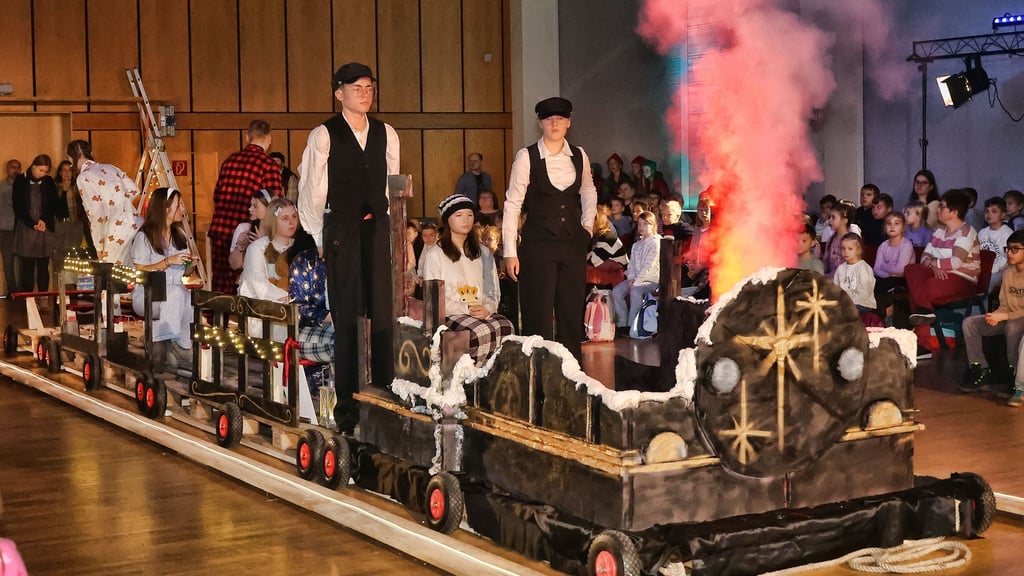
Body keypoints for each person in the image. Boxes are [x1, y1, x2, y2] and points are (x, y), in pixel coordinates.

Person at [297, 62, 400, 434]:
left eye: (370, 87)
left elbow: (391, 186)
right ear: (339, 92)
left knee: (383, 315)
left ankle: (388, 395)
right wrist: (319, 236)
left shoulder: (387, 133)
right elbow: (311, 189)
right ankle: (348, 409)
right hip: (341, 229)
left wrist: (391, 231)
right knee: (349, 319)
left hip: (378, 229)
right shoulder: (324, 135)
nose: (365, 92)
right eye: (356, 87)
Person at [502, 96, 597, 361]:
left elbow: (589, 190)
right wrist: (510, 251)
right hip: (538, 244)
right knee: (538, 313)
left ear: (568, 122)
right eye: (548, 118)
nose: (554, 123)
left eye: (560, 118)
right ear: (540, 123)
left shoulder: (579, 155)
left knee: (570, 311)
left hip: (572, 244)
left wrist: (587, 226)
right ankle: (540, 374)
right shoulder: (527, 156)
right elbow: (513, 204)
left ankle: (572, 375)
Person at [422, 194, 514, 365]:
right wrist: (465, 308)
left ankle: (497, 381)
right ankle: (469, 381)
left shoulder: (483, 253)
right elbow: (433, 300)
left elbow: (492, 289)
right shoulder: (436, 254)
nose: (466, 220)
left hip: (480, 311)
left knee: (506, 327)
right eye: (459, 215)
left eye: (470, 215)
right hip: (450, 314)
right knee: (479, 332)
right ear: (447, 220)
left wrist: (488, 307)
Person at [208, 119, 283, 295]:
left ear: (247, 136)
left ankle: (217, 320)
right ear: (270, 139)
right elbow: (275, 204)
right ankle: (245, 321)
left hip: (221, 228)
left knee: (220, 285)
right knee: (252, 284)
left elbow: (217, 195)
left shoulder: (230, 160)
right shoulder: (268, 165)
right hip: (250, 232)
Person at [130, 187, 198, 372]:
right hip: (148, 294)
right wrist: (167, 261)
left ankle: (184, 343)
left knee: (188, 297)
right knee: (177, 294)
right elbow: (141, 271)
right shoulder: (144, 237)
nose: (182, 210)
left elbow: (184, 273)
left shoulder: (179, 235)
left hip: (174, 291)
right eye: (178, 207)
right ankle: (172, 342)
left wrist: (189, 266)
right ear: (165, 209)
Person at [960, 229, 1024, 407]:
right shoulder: (1009, 273)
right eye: (1008, 249)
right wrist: (996, 315)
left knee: (1012, 327)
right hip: (1007, 316)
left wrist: (1007, 315)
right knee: (970, 323)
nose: (1009, 253)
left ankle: (1014, 376)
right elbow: (1004, 302)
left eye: (1015, 249)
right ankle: (980, 368)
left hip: (1019, 319)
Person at [906, 189, 981, 327]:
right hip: (938, 274)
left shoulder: (966, 231)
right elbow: (924, 257)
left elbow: (955, 262)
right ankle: (927, 322)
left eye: (942, 206)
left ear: (954, 212)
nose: (937, 210)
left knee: (916, 294)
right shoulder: (939, 232)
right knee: (911, 269)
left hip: (961, 279)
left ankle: (924, 342)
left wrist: (934, 264)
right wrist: (935, 267)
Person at [68, 139, 142, 265]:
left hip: (114, 232)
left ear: (71, 158)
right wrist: (120, 205)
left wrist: (98, 245)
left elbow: (97, 213)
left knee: (114, 275)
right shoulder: (110, 167)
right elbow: (134, 190)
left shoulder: (83, 177)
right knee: (135, 272)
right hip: (136, 223)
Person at [12, 154, 57, 292]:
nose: (42, 174)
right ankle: (29, 301)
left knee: (44, 266)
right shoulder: (20, 180)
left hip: (44, 228)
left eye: (45, 171)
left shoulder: (49, 181)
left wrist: (44, 220)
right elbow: (18, 205)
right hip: (26, 227)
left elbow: (52, 204)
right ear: (33, 166)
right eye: (40, 170)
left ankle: (43, 299)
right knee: (27, 267)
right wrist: (32, 223)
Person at [612, 211, 660, 339]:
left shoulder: (656, 243)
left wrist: (636, 282)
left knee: (635, 292)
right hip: (636, 280)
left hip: (651, 280)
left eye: (645, 224)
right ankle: (622, 323)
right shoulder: (636, 245)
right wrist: (631, 278)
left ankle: (632, 324)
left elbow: (649, 266)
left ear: (653, 225)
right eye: (639, 224)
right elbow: (631, 264)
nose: (641, 227)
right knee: (617, 291)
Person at [873, 212, 914, 321]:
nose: (892, 226)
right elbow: (876, 269)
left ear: (903, 227)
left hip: (901, 281)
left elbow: (901, 270)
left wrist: (884, 266)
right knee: (873, 284)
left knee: (888, 288)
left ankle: (887, 317)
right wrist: (888, 274)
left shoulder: (906, 245)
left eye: (896, 223)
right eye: (889, 223)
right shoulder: (883, 246)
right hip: (885, 278)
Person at [228, 189, 272, 273]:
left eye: (255, 206)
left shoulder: (278, 232)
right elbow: (234, 265)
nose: (250, 209)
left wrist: (262, 245)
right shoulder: (244, 229)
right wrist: (240, 247)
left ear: (269, 208)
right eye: (250, 205)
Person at [978, 197, 1013, 295]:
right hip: (984, 268)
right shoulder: (982, 232)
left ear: (1003, 215)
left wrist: (992, 269)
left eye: (994, 211)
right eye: (987, 211)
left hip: (1001, 269)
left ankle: (981, 305)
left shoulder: (1007, 234)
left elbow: (1008, 259)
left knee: (989, 280)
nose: (989, 214)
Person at [834, 232, 876, 313]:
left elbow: (863, 294)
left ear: (858, 250)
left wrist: (845, 302)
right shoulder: (841, 268)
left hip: (862, 305)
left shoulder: (863, 268)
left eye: (850, 249)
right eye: (843, 248)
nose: (846, 252)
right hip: (844, 303)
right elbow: (835, 288)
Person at [53, 160, 80, 269]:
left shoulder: (77, 187)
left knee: (72, 253)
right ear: (60, 172)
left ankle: (71, 283)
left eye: (69, 170)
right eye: (64, 170)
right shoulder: (55, 187)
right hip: (58, 223)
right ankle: (59, 281)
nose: (67, 173)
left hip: (74, 223)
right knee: (58, 253)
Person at [0, 159, 21, 297]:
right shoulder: (1, 187)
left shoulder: (24, 185)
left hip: (22, 229)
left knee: (24, 263)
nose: (16, 170)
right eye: (13, 167)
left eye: (18, 168)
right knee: (8, 263)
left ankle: (23, 291)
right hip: (5, 229)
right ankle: (12, 292)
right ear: (7, 169)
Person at [823, 201, 856, 280]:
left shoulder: (852, 241)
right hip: (830, 279)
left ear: (844, 220)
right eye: (829, 217)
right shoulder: (831, 240)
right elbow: (825, 262)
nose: (830, 221)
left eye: (833, 217)